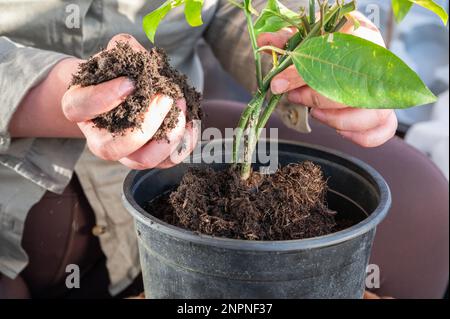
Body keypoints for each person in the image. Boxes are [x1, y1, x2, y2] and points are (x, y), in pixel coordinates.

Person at [0, 0, 397, 297]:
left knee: (422, 193)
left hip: (173, 159)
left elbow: (238, 10)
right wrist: (63, 90)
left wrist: (321, 48)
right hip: (14, 196)